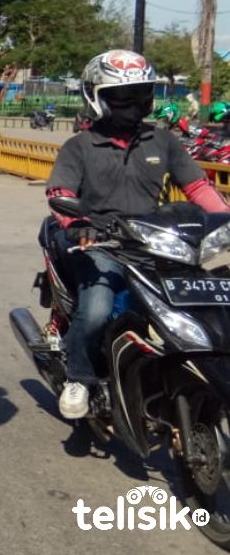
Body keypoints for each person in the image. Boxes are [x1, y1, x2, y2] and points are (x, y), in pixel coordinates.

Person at [47, 49, 230, 420]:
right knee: (97, 308)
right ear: (97, 98)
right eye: (122, 96)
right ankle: (80, 377)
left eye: (142, 94)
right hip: (101, 244)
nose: (134, 104)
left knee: (209, 302)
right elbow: (60, 194)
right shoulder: (79, 146)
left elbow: (197, 188)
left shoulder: (162, 141)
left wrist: (225, 220)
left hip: (157, 244)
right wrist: (79, 225)